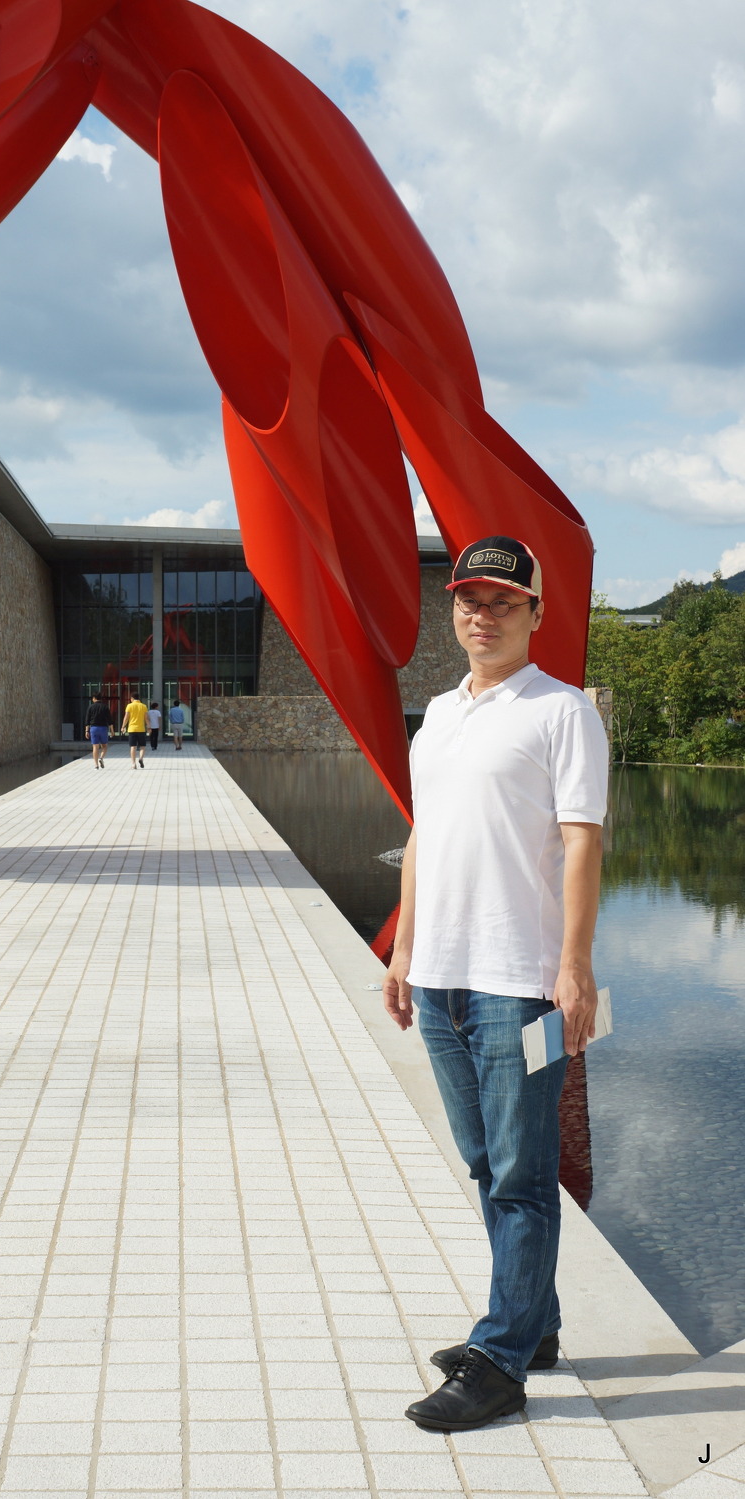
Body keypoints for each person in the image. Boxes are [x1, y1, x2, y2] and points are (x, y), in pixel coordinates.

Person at [384, 535, 608, 1434]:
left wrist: (575, 964)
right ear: (454, 609)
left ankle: (502, 1359)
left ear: (535, 614)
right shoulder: (438, 715)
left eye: (503, 602)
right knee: (485, 1160)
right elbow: (423, 838)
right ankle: (534, 1322)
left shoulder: (562, 711)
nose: (483, 615)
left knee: (522, 1172)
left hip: (522, 982)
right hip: (441, 978)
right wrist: (403, 950)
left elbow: (583, 841)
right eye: (469, 600)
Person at [84, 692, 113, 769]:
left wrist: (86, 731)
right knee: (104, 746)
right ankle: (101, 758)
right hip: (103, 728)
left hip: (94, 728)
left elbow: (87, 720)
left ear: (94, 698)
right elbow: (110, 720)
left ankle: (96, 765)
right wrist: (112, 731)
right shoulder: (105, 707)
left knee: (95, 747)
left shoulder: (90, 707)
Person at [121, 691, 149, 768]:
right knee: (142, 746)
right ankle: (141, 758)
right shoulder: (144, 706)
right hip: (141, 729)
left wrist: (123, 726)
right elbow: (146, 718)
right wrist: (149, 727)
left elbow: (126, 718)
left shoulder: (129, 706)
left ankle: (133, 764)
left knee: (133, 746)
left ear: (132, 698)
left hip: (132, 729)